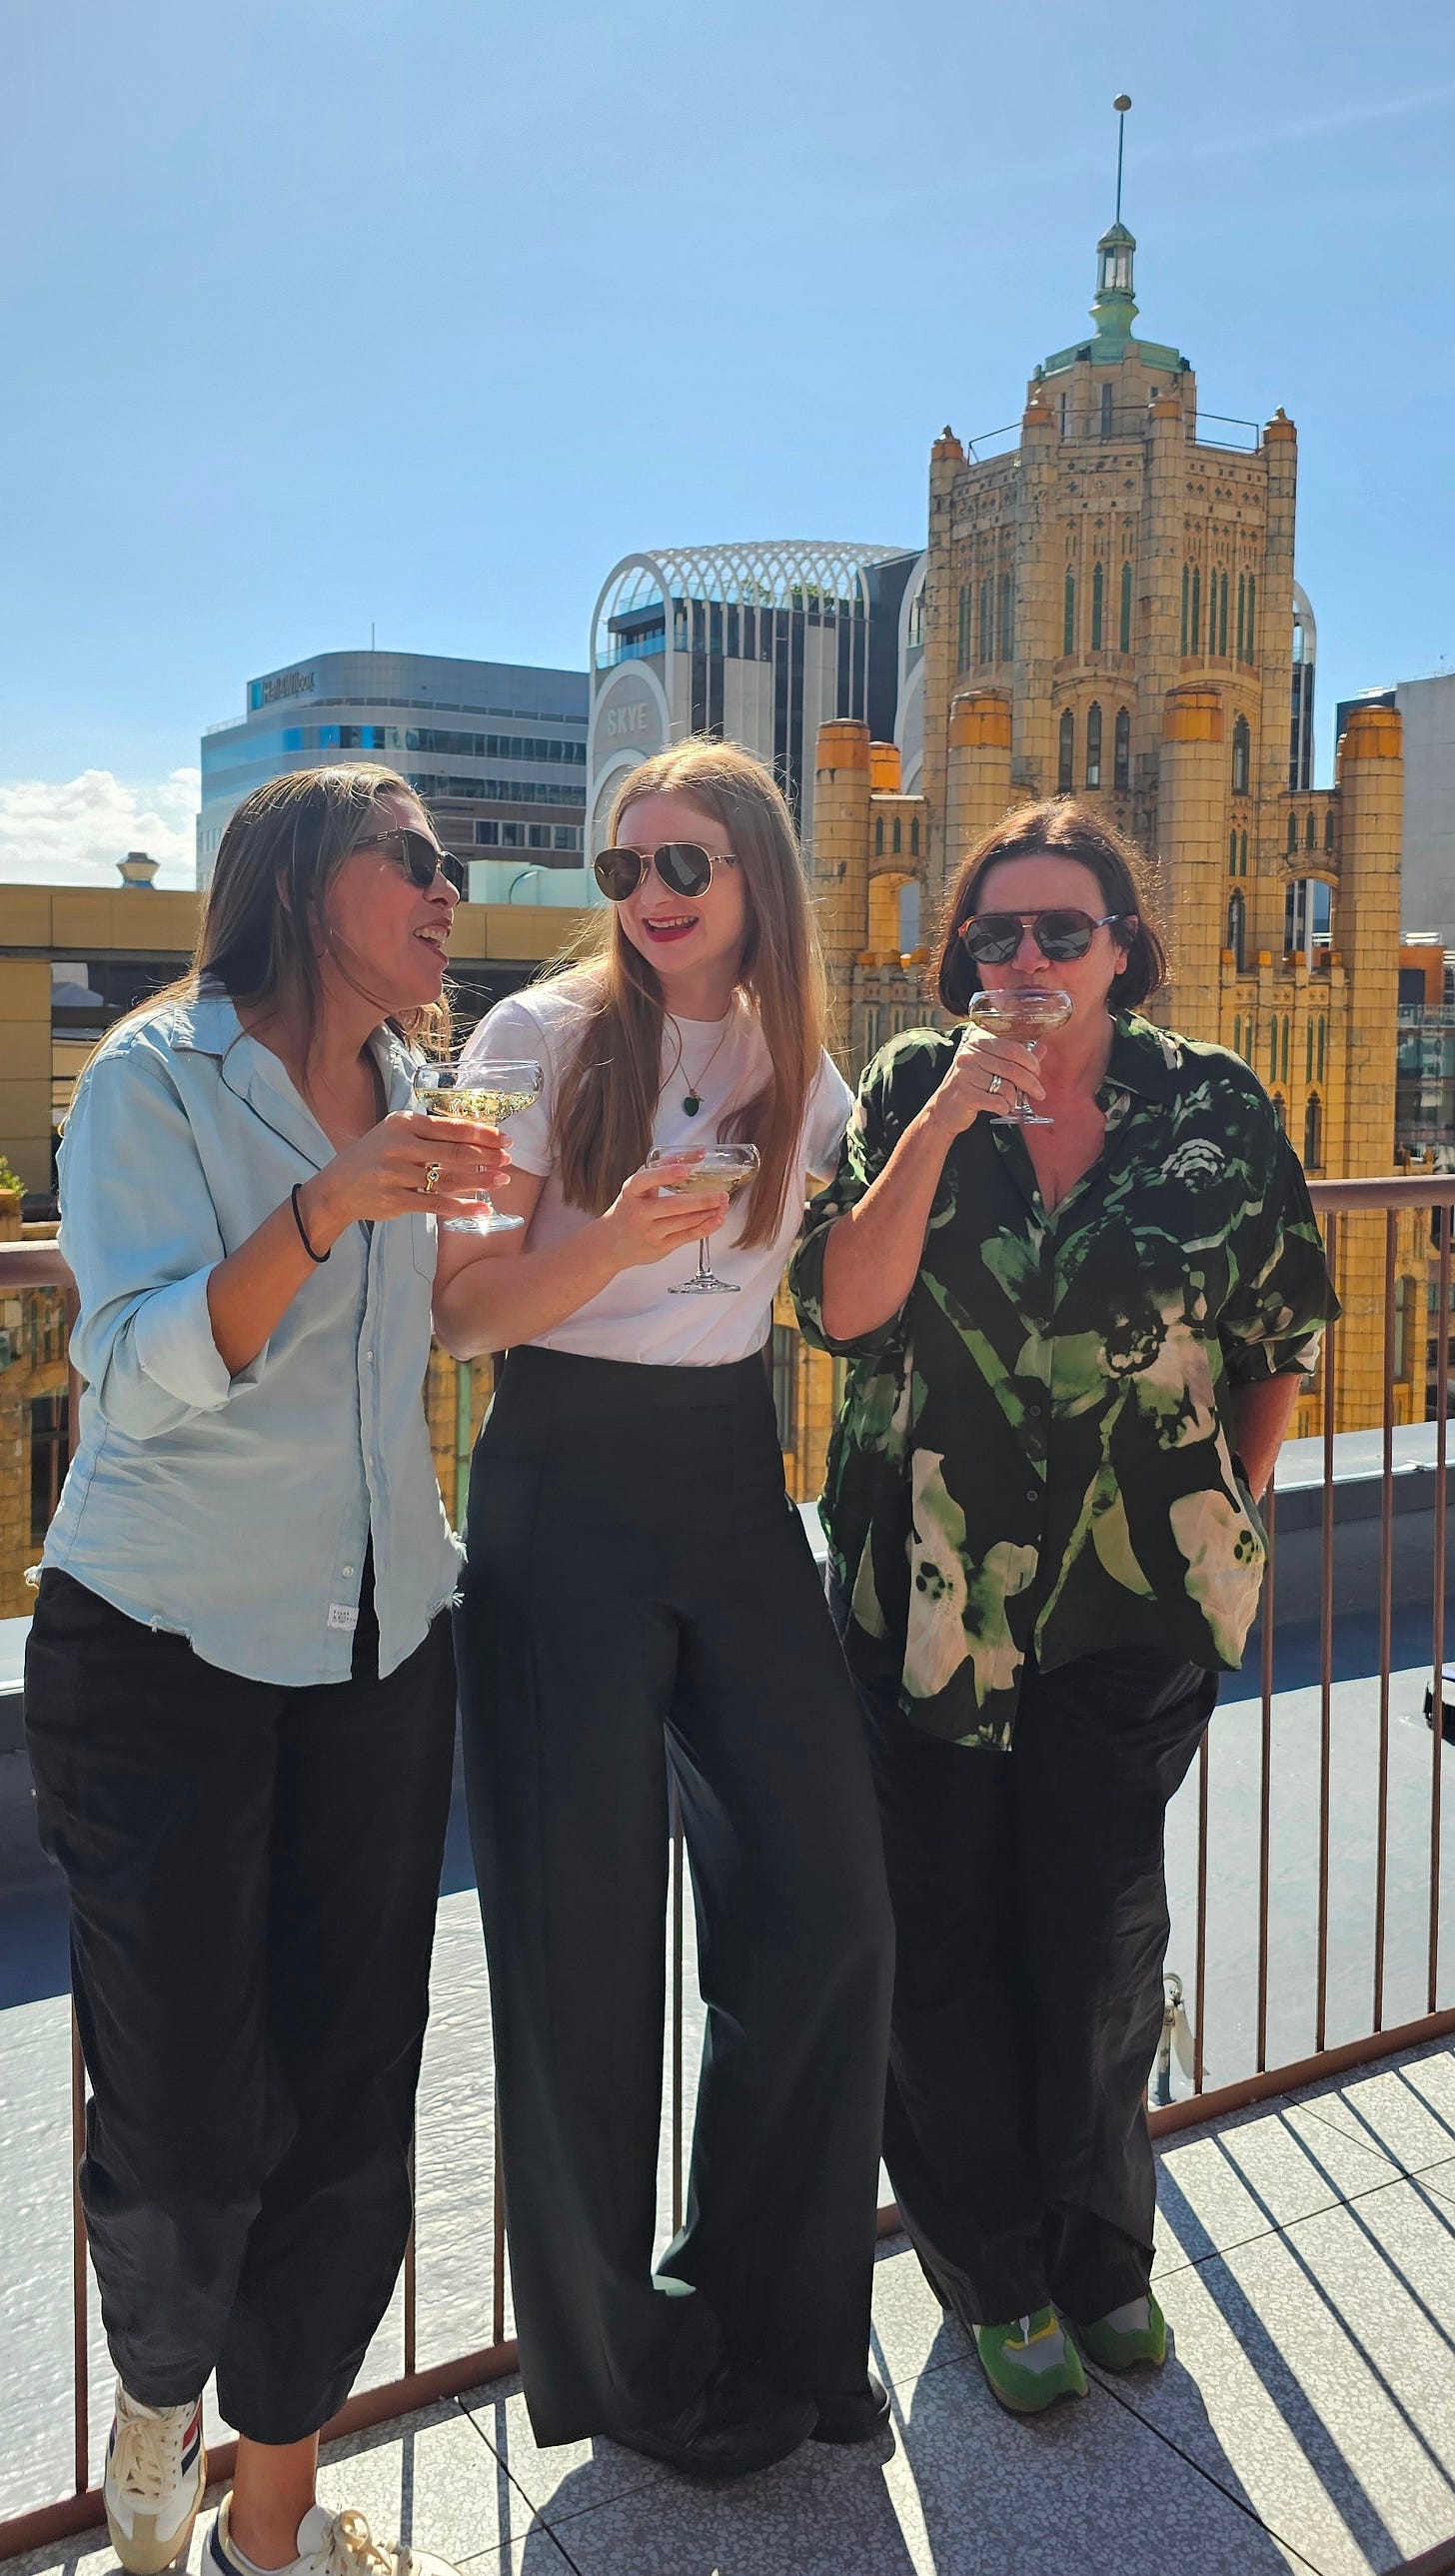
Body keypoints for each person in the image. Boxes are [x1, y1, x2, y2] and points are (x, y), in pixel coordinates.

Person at [790, 797, 1336, 2416]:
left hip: (1131, 1608)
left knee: (1097, 1936)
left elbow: (1277, 1336)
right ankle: (993, 2270)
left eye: (1062, 929)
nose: (1025, 957)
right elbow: (841, 1308)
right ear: (962, 952)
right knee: (942, 1935)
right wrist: (949, 1116)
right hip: (929, 1599)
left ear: (1121, 946)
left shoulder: (1212, 1106)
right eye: (995, 932)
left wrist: (1218, 1515)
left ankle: (1100, 2256)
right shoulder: (911, 1084)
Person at [25, 767, 504, 2576]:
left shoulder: (412, 1090)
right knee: (186, 2121)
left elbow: (428, 1327)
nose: (450, 889)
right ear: (302, 881)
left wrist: (607, 1237)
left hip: (379, 1649)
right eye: (416, 858)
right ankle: (161, 2392)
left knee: (354, 2098)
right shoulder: (151, 1077)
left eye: (455, 863)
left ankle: (276, 2518)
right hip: (162, 1650)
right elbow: (140, 1364)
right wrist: (323, 1206)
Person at [433, 738, 895, 2480]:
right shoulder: (529, 1039)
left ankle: (780, 2314)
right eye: (622, 866)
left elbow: (834, 1286)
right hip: (561, 1478)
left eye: (682, 861)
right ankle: (626, 2368)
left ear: (756, 870)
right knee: (583, 1942)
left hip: (728, 1475)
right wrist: (615, 1241)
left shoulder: (801, 1062)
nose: (647, 894)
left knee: (827, 1905)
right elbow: (462, 1315)